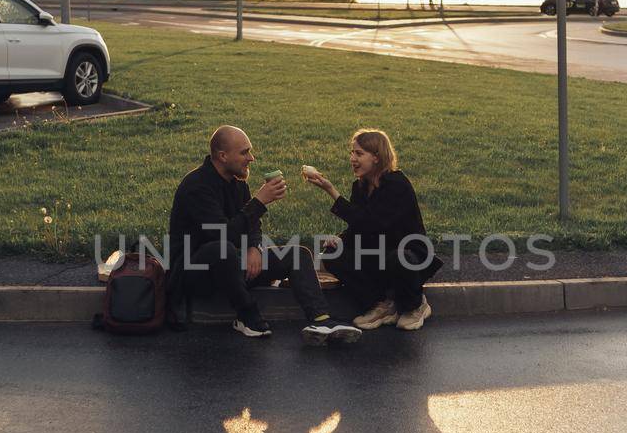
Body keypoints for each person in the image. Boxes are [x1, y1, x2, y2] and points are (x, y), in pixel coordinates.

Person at [167, 125, 361, 345]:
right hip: (197, 275)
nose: (251, 158)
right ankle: (246, 314)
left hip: (234, 271)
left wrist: (254, 248)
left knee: (297, 254)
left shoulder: (238, 184)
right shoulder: (197, 186)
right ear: (222, 156)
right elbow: (224, 234)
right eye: (244, 152)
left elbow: (252, 225)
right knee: (222, 249)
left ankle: (321, 319)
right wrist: (260, 202)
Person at [304, 129, 439, 331]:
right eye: (352, 153)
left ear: (377, 157)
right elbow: (360, 227)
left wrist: (332, 191)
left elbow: (374, 224)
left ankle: (416, 305)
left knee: (398, 257)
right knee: (333, 255)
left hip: (408, 257)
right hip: (379, 254)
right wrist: (341, 239)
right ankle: (381, 305)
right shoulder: (360, 186)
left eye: (359, 154)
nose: (352, 159)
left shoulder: (396, 184)